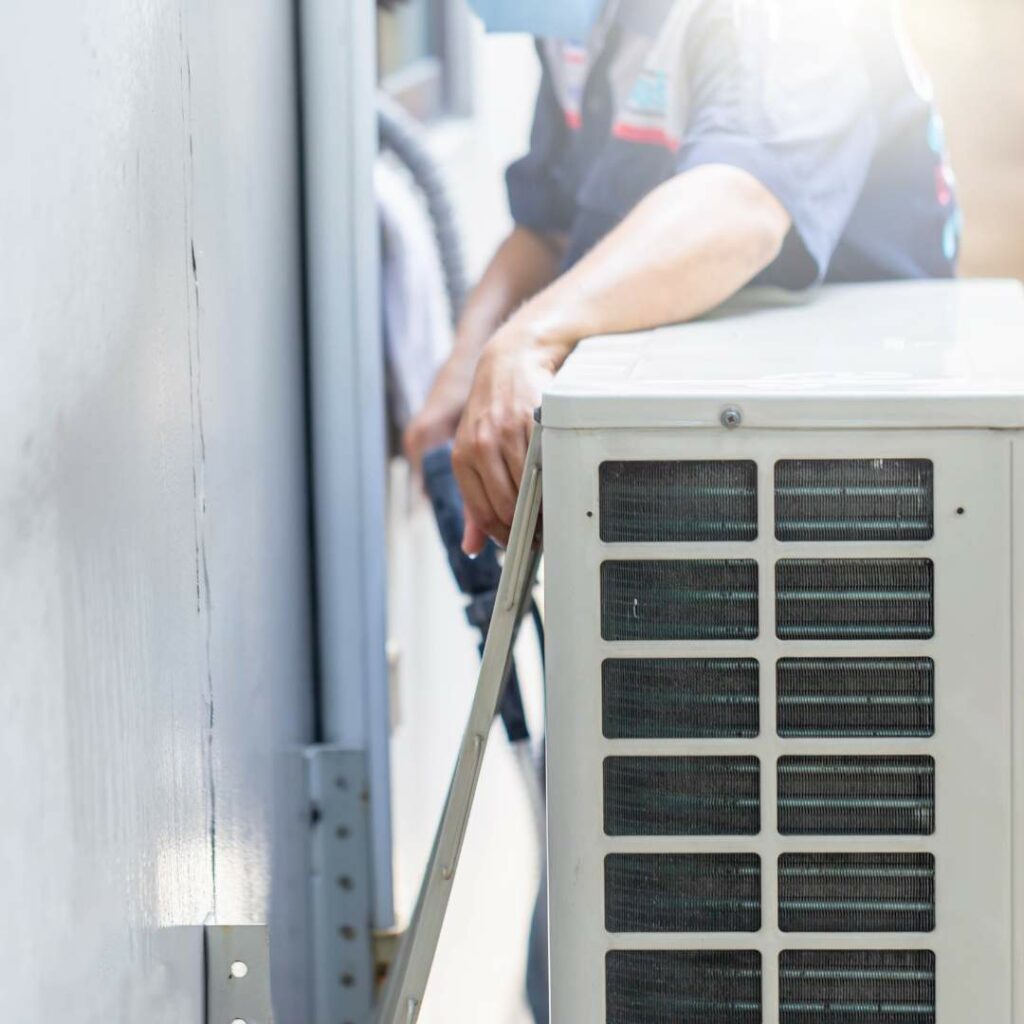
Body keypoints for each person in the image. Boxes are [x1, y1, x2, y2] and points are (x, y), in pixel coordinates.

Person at [404, 0, 960, 563]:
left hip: (849, 461)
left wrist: (527, 339)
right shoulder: (576, 27)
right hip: (691, 450)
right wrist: (468, 369)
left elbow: (742, 205)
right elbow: (549, 228)